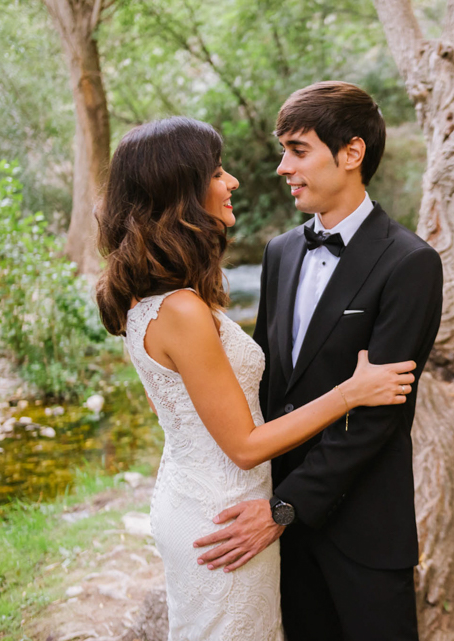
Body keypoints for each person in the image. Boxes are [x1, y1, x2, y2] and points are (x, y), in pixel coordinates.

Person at [94, 116, 418, 641]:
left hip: (203, 494)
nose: (234, 181)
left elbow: (185, 401)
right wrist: (352, 391)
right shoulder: (181, 308)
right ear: (179, 189)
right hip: (225, 514)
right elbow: (244, 444)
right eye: (217, 172)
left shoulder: (151, 294)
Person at [192, 82, 444, 640]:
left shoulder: (411, 263)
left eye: (297, 150)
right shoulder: (280, 251)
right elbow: (269, 383)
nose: (283, 167)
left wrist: (284, 507)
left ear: (351, 154)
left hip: (364, 534)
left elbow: (377, 418)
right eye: (284, 150)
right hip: (281, 533)